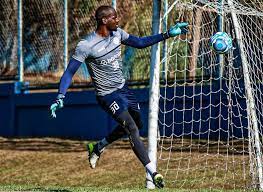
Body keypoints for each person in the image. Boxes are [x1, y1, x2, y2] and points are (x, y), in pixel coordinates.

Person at [50, 5, 188, 188]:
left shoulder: (118, 34)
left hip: (123, 89)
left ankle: (98, 146)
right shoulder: (86, 45)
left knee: (138, 124)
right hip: (107, 95)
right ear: (104, 20)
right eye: (114, 18)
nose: (118, 20)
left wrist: (168, 34)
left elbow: (140, 43)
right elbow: (69, 73)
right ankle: (153, 173)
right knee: (131, 127)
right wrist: (60, 96)